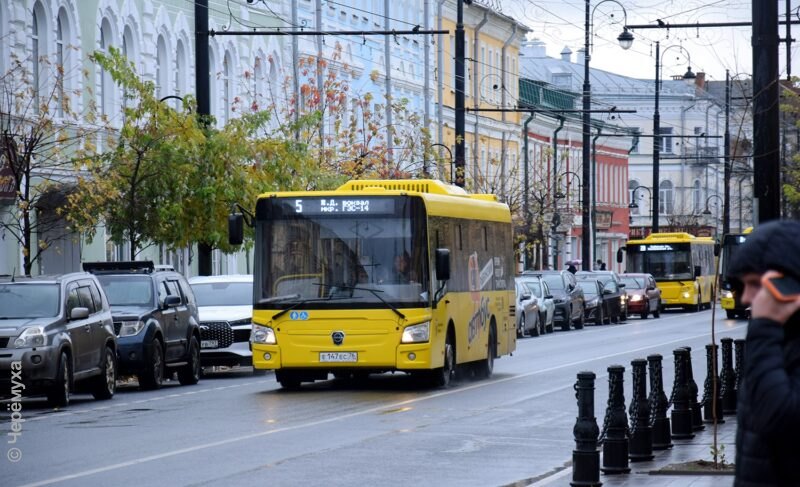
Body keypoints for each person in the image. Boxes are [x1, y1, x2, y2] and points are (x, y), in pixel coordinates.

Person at [727, 220, 800, 486]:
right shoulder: (783, 338)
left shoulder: (770, 335)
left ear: (790, 284)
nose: (745, 297)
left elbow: (779, 420)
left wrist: (765, 326)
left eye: (755, 284)